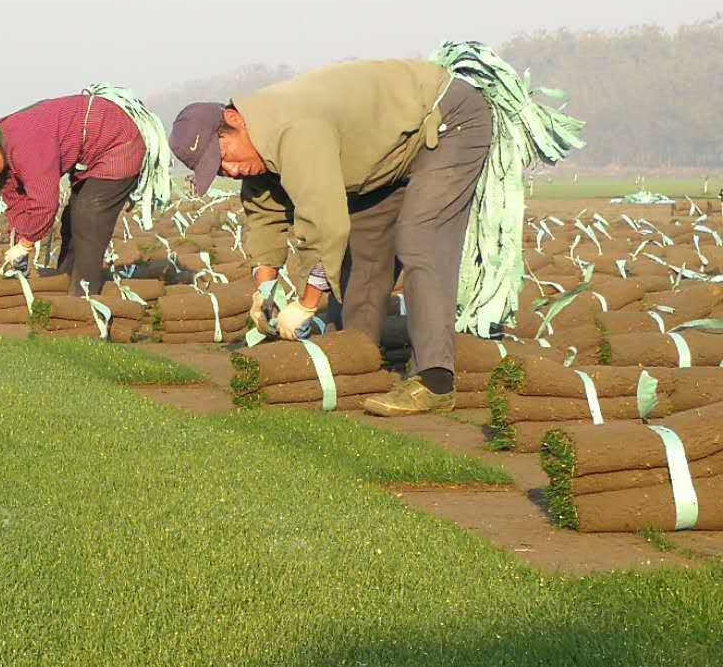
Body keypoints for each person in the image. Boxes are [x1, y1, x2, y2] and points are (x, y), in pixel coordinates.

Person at [168, 54, 561, 416]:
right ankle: (358, 358)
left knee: (420, 238)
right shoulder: (256, 146)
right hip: (384, 157)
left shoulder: (292, 130)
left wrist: (306, 304)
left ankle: (435, 380)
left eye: (225, 156)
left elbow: (326, 224)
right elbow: (264, 215)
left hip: (446, 121)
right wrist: (264, 292)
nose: (232, 171)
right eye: (219, 170)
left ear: (234, 120)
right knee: (364, 253)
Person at [0, 92, 146, 297]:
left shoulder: (25, 145)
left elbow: (44, 204)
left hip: (118, 143)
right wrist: (20, 238)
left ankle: (83, 295)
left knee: (89, 214)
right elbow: (17, 202)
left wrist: (26, 244)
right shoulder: (2, 153)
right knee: (71, 220)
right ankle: (65, 281)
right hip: (89, 156)